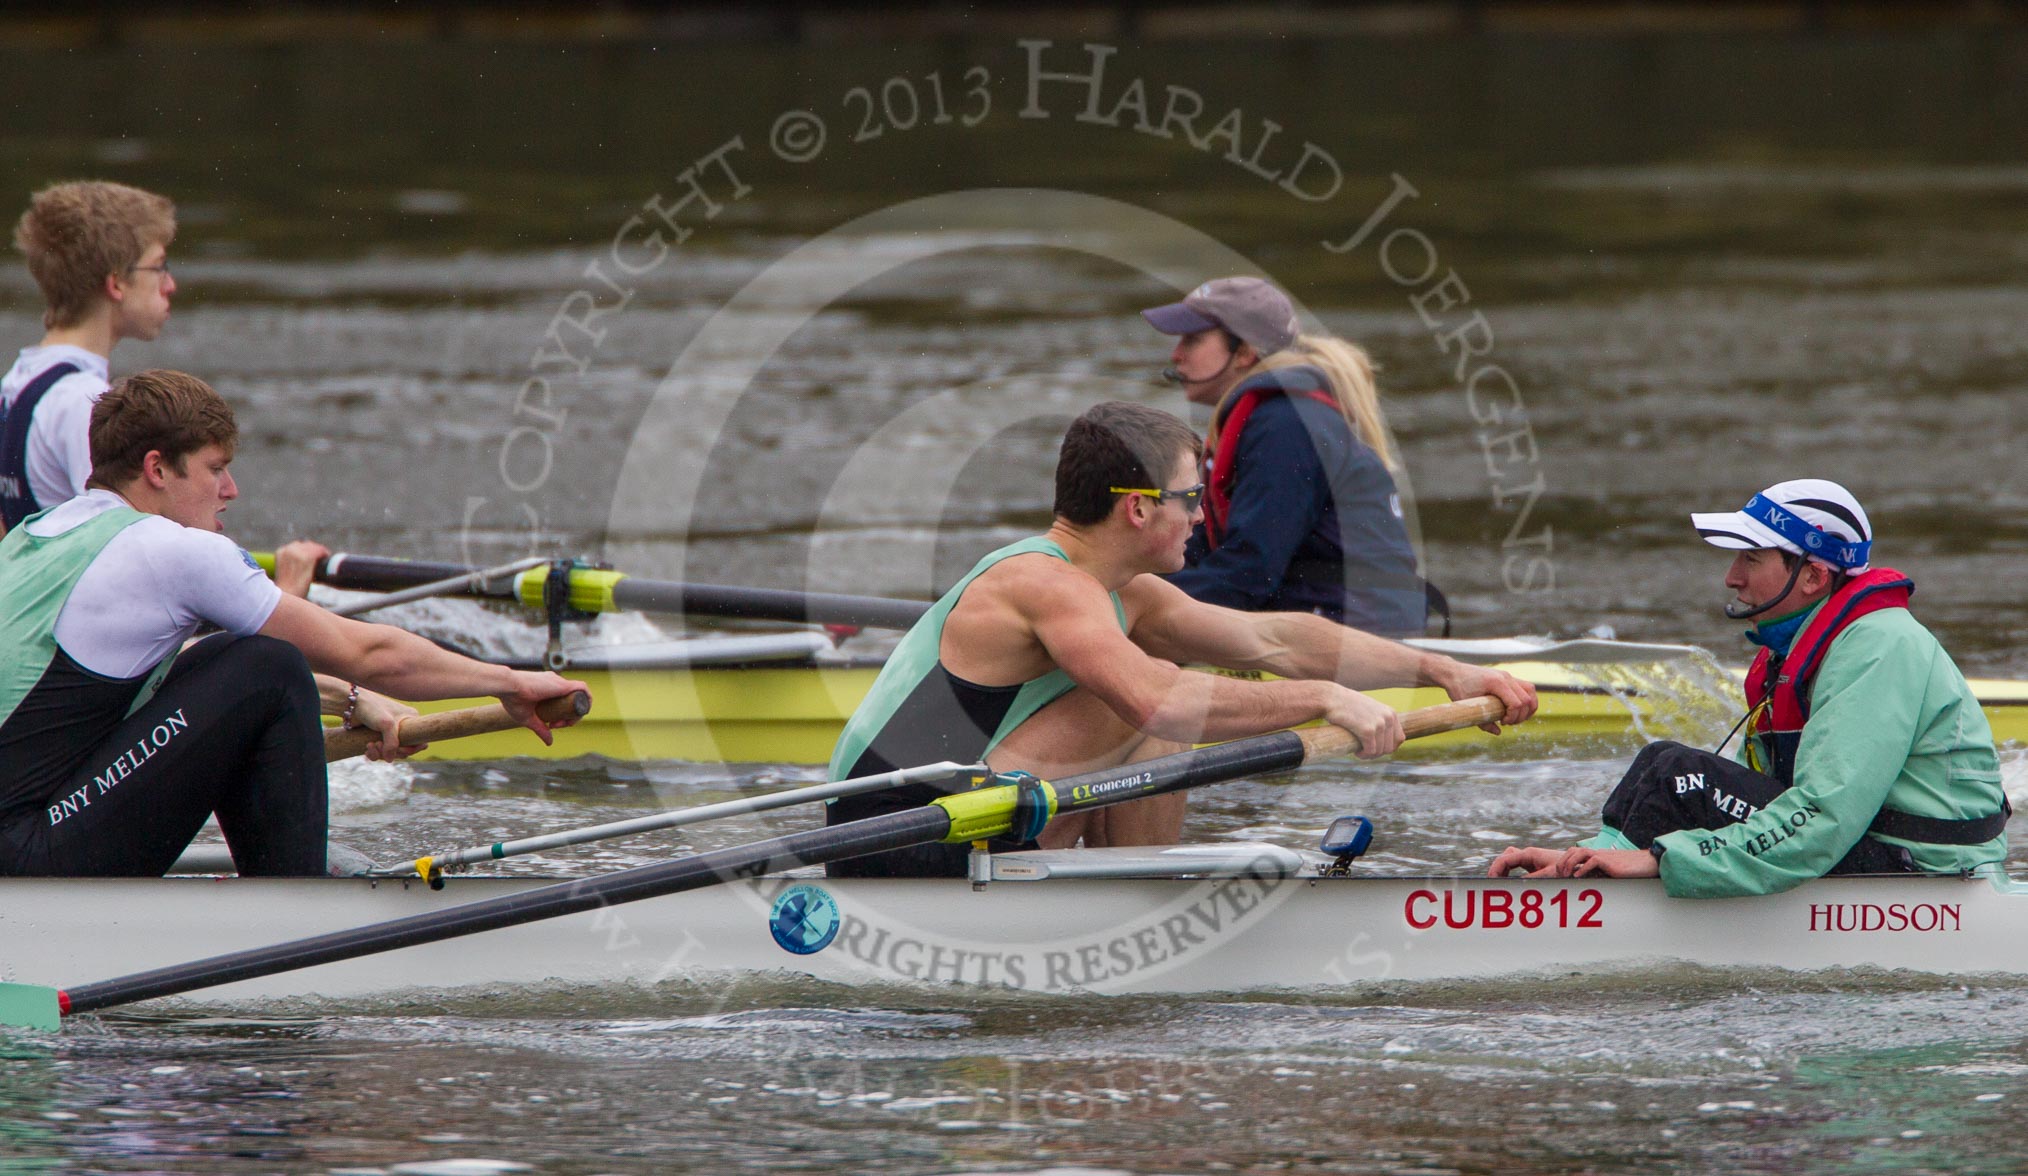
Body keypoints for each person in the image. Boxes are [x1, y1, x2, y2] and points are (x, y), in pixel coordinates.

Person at [826, 400, 1538, 878]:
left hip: (965, 818)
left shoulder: (1123, 591)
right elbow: (1157, 701)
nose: (1201, 517)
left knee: (1160, 695)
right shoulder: (1044, 585)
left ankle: (1134, 886)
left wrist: (1443, 670)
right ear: (1138, 510)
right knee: (1147, 698)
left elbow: (1275, 639)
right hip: (893, 837)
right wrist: (1326, 699)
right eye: (1191, 498)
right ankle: (1135, 894)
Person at [0, 370, 589, 877]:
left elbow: (142, 685)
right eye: (215, 469)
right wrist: (509, 683)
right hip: (28, 855)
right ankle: (297, 909)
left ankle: (279, 889)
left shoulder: (34, 536)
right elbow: (368, 653)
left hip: (30, 827)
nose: (231, 490)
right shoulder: (173, 551)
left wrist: (352, 701)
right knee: (270, 666)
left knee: (227, 658)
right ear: (157, 468)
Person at [1487, 479, 2006, 896]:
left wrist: (1663, 859)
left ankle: (1602, 884)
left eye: (1751, 559)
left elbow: (1824, 817)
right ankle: (1588, 868)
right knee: (1661, 763)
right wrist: (1589, 854)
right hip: (1867, 846)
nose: (1732, 577)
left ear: (1813, 576)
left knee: (1682, 774)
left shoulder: (1879, 646)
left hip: (1927, 877)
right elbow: (1758, 801)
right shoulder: (1794, 651)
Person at [1141, 276, 1431, 636]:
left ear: (1244, 352)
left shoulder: (1285, 424)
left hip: (1358, 635)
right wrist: (1120, 583)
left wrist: (1133, 607)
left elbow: (1249, 573)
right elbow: (1205, 554)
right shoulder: (1271, 417)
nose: (1176, 354)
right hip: (1330, 617)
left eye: (1192, 339)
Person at [4, 181, 176, 531]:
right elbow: (128, 543)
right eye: (158, 266)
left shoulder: (15, 382)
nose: (170, 284)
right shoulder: (87, 403)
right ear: (117, 283)